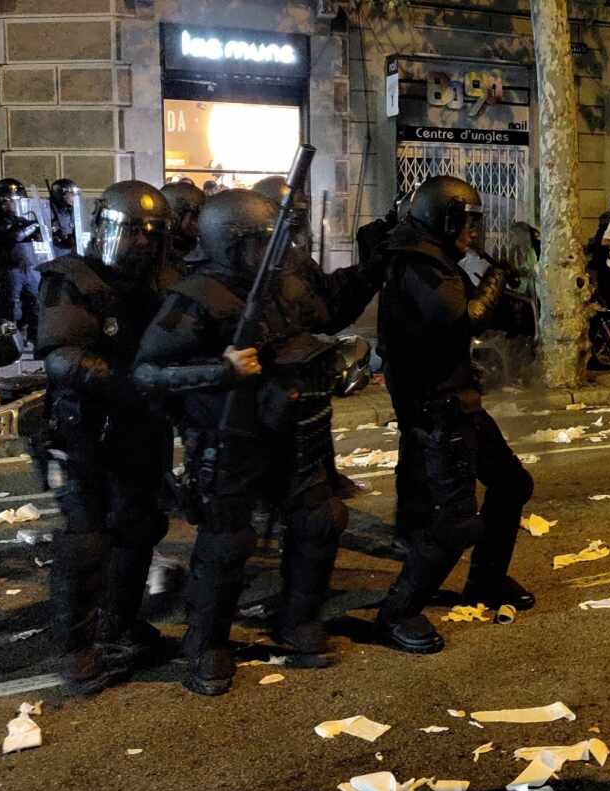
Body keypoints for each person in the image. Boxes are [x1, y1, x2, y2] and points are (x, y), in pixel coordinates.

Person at [134, 189, 382, 695]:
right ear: (228, 245)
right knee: (227, 543)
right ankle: (207, 643)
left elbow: (325, 316)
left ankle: (297, 619)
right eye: (261, 243)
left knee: (319, 520)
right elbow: (149, 371)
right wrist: (219, 369)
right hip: (231, 436)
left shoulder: (285, 284)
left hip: (296, 428)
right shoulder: (196, 296)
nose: (278, 251)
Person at [372, 175, 535, 655]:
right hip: (437, 408)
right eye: (465, 221)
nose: (472, 232)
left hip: (457, 399)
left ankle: (485, 582)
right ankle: (397, 612)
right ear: (443, 219)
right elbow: (463, 316)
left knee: (511, 484)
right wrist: (495, 278)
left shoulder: (433, 256)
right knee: (457, 522)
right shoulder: (419, 264)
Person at [35, 180, 175, 696]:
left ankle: (120, 623)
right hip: (83, 430)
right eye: (131, 232)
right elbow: (61, 355)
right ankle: (76, 649)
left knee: (139, 529)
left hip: (141, 429)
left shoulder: (163, 281)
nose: (140, 244)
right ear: (104, 228)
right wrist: (128, 383)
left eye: (151, 234)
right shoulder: (72, 280)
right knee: (87, 540)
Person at [0, 182, 46, 342]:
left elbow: (37, 235)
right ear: (0, 203)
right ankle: (10, 341)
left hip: (29, 266)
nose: (13, 204)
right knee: (12, 306)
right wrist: (32, 227)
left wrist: (39, 229)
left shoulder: (17, 219)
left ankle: (35, 338)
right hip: (9, 268)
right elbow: (12, 237)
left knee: (36, 303)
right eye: (10, 201)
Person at [160, 181, 206, 282]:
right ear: (173, 219)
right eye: (194, 217)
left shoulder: (201, 250)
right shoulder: (157, 260)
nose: (198, 224)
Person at [48, 178, 80, 260]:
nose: (75, 197)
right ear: (61, 194)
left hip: (73, 255)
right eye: (71, 194)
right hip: (56, 256)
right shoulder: (47, 210)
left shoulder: (73, 210)